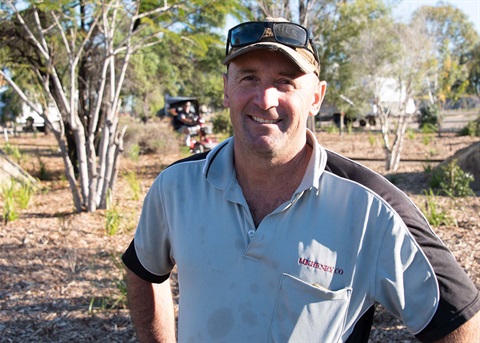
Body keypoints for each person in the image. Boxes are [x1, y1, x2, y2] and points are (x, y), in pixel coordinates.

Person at [122, 17, 480, 342]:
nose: (265, 99)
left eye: (285, 82)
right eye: (249, 78)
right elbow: (143, 270)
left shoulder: (372, 209)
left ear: (316, 98)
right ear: (226, 89)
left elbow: (460, 324)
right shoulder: (177, 187)